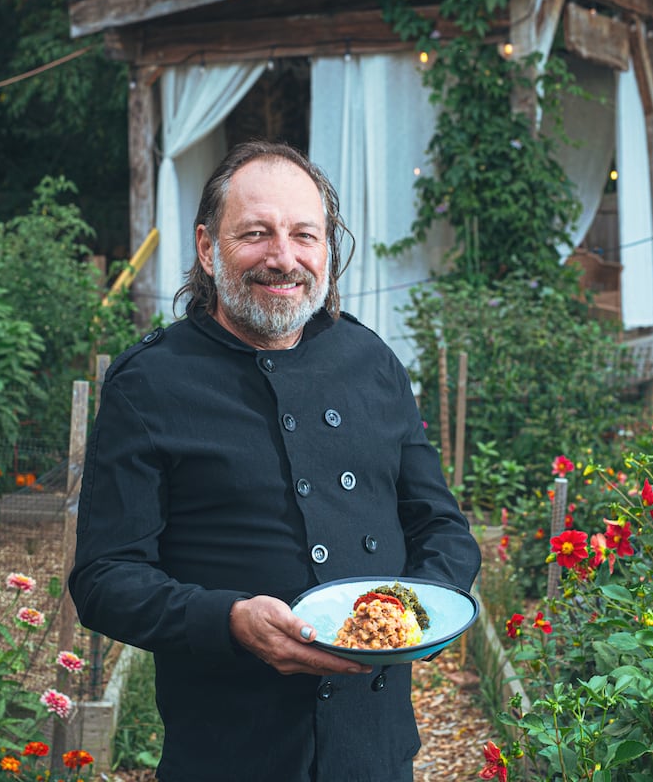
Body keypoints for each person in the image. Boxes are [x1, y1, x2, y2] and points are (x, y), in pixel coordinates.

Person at [68, 140, 480, 782]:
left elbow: (441, 528)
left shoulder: (372, 365)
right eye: (256, 234)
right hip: (230, 751)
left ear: (326, 248)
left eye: (303, 235)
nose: (283, 258)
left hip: (373, 751)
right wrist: (228, 621)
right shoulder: (149, 383)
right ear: (208, 248)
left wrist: (419, 611)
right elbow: (104, 579)